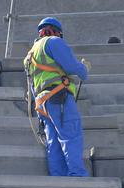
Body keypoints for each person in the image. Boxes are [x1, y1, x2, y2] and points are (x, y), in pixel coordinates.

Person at [25, 17, 90, 177]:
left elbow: (32, 84)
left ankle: (58, 177)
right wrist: (84, 69)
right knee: (70, 136)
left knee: (53, 142)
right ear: (58, 32)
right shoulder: (54, 42)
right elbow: (71, 66)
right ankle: (77, 175)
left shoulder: (30, 55)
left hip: (42, 102)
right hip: (59, 97)